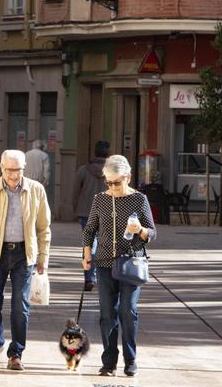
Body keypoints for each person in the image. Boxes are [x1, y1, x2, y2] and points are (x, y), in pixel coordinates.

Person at [0, 150, 52, 371]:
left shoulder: (36, 190)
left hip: (24, 255)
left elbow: (44, 228)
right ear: (1, 167)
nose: (14, 175)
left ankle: (16, 353)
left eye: (18, 170)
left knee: (20, 306)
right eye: (9, 170)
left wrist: (43, 257)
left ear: (24, 168)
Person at [81, 155, 156, 378]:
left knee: (127, 311)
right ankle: (109, 362)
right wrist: (86, 254)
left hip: (131, 263)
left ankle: (130, 360)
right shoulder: (100, 199)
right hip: (104, 263)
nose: (112, 187)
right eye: (109, 182)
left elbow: (152, 232)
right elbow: (89, 230)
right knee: (107, 314)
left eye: (117, 182)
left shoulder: (139, 200)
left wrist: (140, 230)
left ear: (128, 177)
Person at [72, 140, 111, 291]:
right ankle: (104, 278)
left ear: (94, 153)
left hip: (86, 213)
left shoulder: (83, 170)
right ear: (108, 154)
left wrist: (77, 209)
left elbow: (75, 192)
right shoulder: (112, 171)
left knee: (89, 245)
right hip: (108, 213)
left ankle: (89, 278)